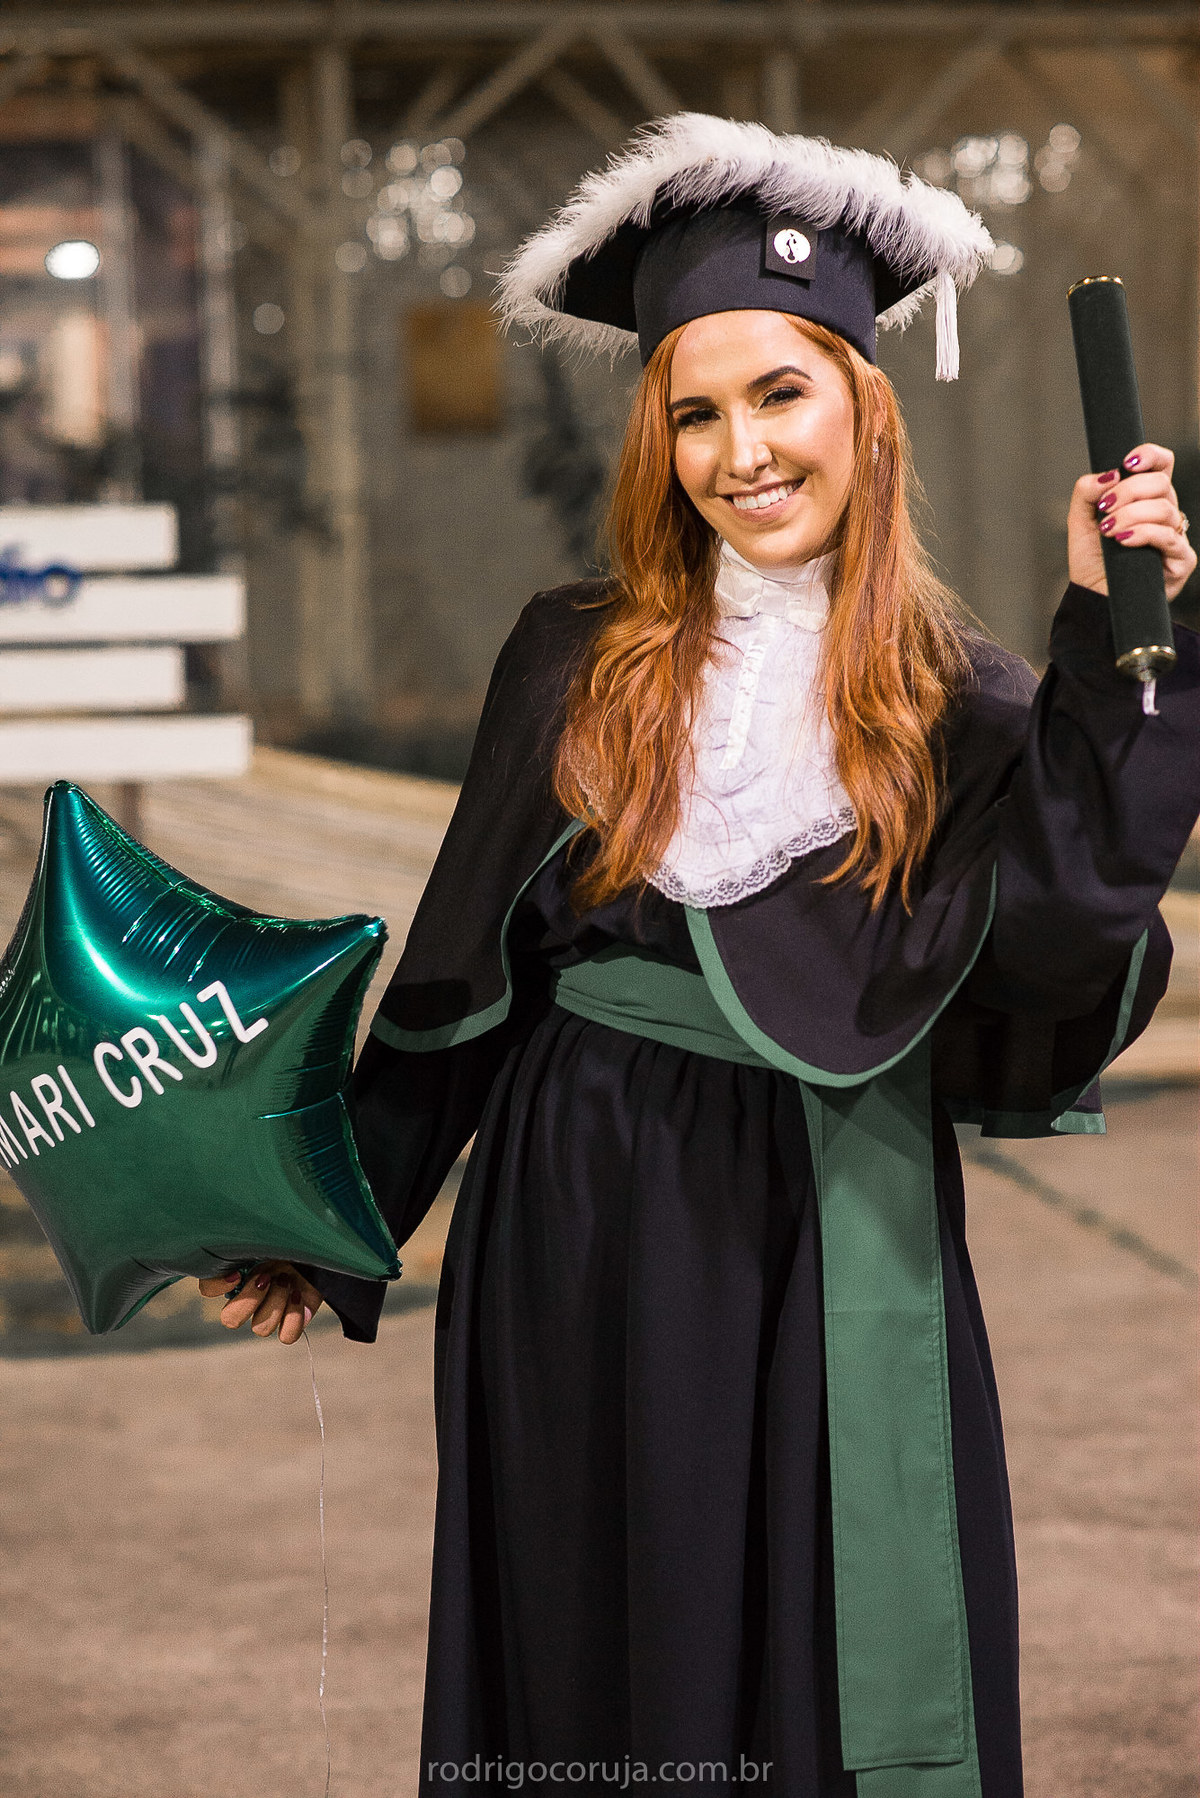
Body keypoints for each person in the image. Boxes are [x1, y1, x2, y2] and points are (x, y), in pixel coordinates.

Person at [201, 116, 1200, 1798]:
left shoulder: (960, 699)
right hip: (573, 1217)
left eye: (781, 394)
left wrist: (1111, 635)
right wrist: (325, 1224)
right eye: (696, 412)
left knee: (817, 1657)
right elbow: (457, 985)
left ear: (866, 410)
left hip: (826, 1215)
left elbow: (1060, 940)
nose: (742, 451)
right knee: (596, 1632)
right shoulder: (570, 658)